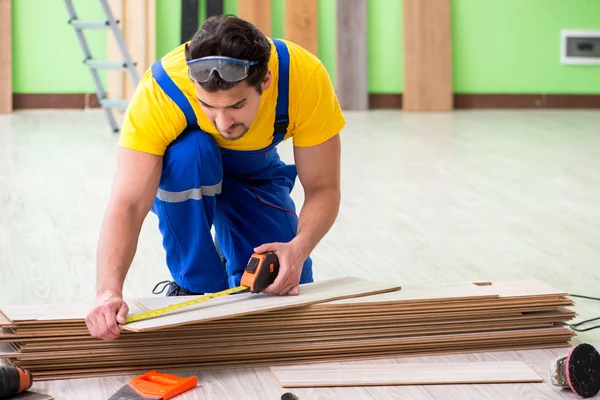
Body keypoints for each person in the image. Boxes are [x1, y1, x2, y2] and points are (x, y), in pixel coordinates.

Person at [85, 14, 345, 340]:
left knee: (279, 292)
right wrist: (108, 291)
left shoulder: (303, 78)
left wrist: (299, 247)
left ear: (264, 81)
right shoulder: (161, 89)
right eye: (209, 106)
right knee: (189, 153)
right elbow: (128, 202)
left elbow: (324, 189)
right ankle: (196, 283)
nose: (223, 123)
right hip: (190, 172)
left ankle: (234, 253)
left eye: (236, 106)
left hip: (255, 173)